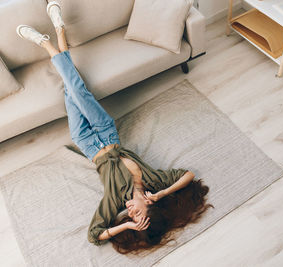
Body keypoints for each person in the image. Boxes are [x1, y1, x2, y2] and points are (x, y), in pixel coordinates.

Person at [16, 1, 213, 254]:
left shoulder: (114, 201)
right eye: (137, 213)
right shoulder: (156, 181)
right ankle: (46, 42)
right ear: (149, 208)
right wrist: (162, 193)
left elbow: (94, 236)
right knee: (76, 90)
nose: (129, 211)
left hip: (86, 142)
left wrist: (125, 226)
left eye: (130, 216)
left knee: (71, 89)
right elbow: (188, 176)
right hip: (106, 131)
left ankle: (57, 30)